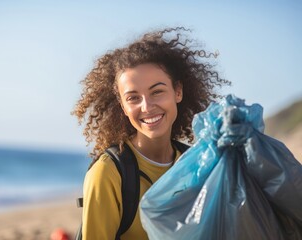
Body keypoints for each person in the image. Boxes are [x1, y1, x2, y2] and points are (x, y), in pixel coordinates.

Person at [72, 27, 230, 240]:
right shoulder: (108, 173)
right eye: (133, 98)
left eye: (157, 92)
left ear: (178, 91)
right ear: (123, 106)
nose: (146, 107)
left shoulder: (197, 164)